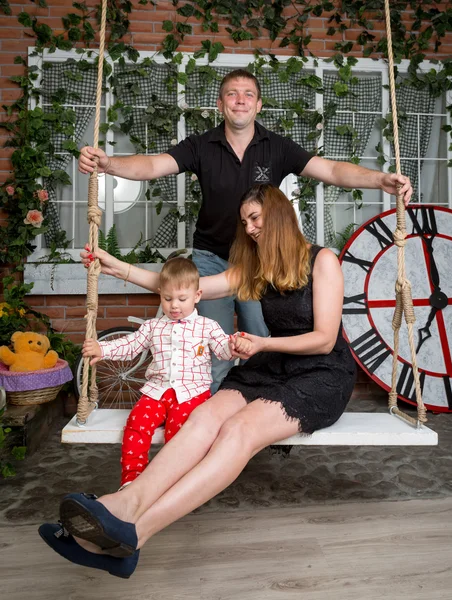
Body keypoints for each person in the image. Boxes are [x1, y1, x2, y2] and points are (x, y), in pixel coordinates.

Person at [39, 184, 360, 579]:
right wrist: (117, 266)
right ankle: (124, 505)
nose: (250, 228)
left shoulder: (322, 260)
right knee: (204, 416)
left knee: (238, 431)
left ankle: (133, 537)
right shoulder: (257, 265)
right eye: (245, 222)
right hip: (270, 365)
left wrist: (261, 343)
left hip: (321, 373)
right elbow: (186, 289)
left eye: (255, 218)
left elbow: (325, 338)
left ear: (277, 214)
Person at [77, 68, 413, 392]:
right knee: (215, 349)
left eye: (248, 94)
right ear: (220, 105)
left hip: (259, 262)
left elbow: (333, 171)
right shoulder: (201, 145)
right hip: (211, 259)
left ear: (258, 105)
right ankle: (205, 419)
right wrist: (109, 165)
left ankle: (266, 410)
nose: (240, 100)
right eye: (231, 94)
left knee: (260, 341)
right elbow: (153, 165)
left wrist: (380, 180)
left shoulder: (277, 147)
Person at [81, 257, 248, 490]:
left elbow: (222, 349)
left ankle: (173, 482)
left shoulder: (206, 326)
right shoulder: (153, 327)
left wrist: (234, 346)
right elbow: (131, 345)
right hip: (157, 392)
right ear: (160, 294)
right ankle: (132, 480)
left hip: (191, 394)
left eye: (182, 299)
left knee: (180, 433)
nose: (175, 306)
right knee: (137, 424)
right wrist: (103, 348)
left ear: (197, 296)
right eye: (168, 299)